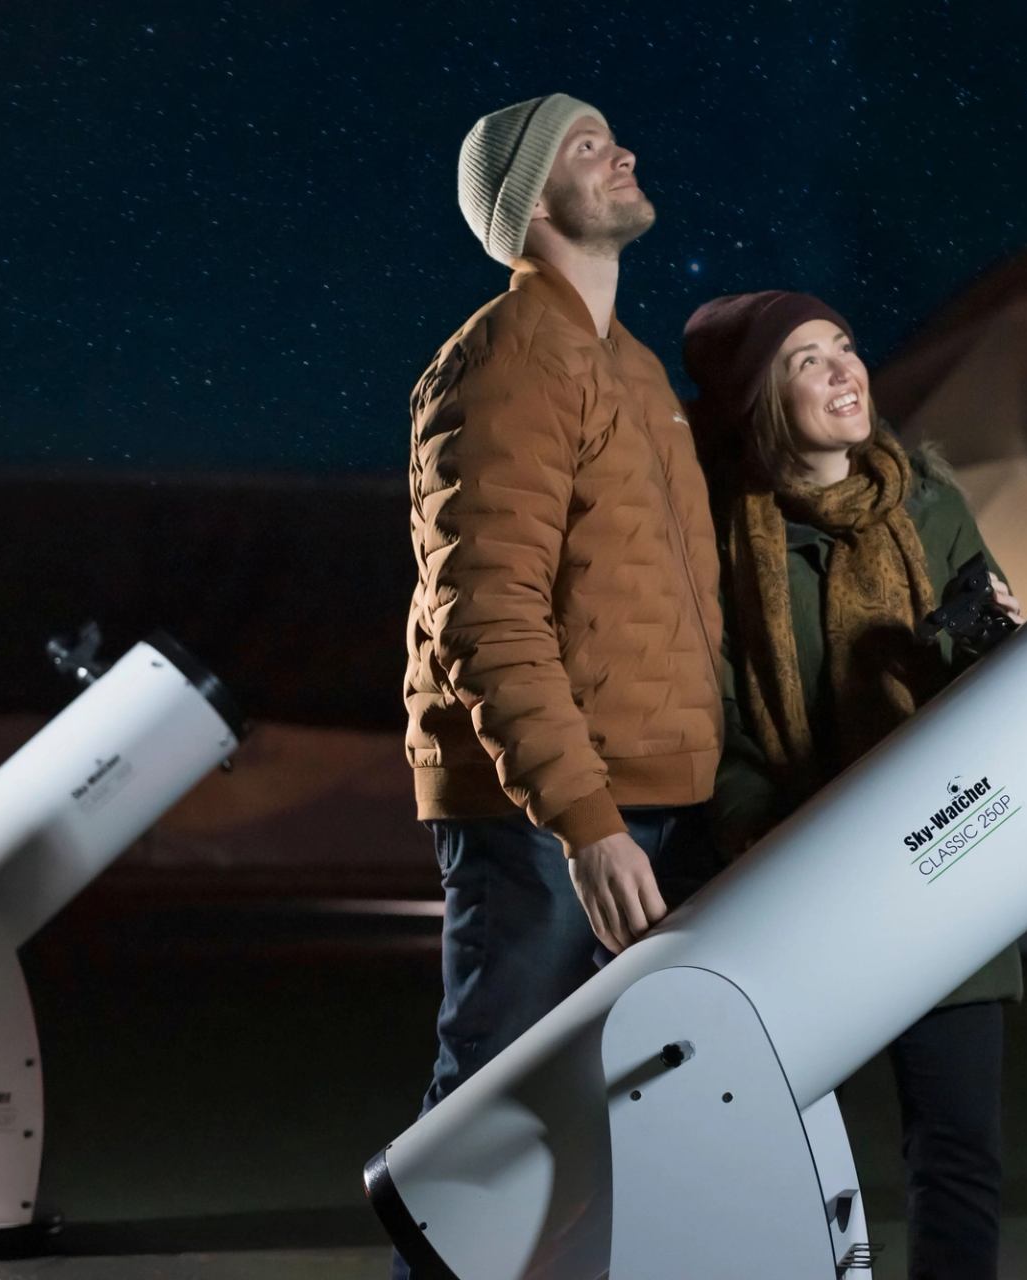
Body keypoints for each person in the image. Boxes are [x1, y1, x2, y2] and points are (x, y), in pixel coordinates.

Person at [396, 94, 722, 1274]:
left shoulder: (632, 368)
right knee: (496, 1120)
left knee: (616, 1130)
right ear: (529, 201)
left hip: (651, 802)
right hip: (546, 816)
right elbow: (486, 612)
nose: (623, 150)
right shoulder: (507, 359)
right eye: (588, 145)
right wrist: (585, 820)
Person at [682, 290, 1024, 1280]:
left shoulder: (932, 506)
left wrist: (986, 646)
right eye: (807, 359)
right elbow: (720, 722)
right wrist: (766, 840)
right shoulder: (718, 538)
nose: (844, 369)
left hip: (942, 865)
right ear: (761, 400)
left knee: (957, 1146)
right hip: (801, 881)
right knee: (768, 1150)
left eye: (844, 345)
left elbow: (992, 696)